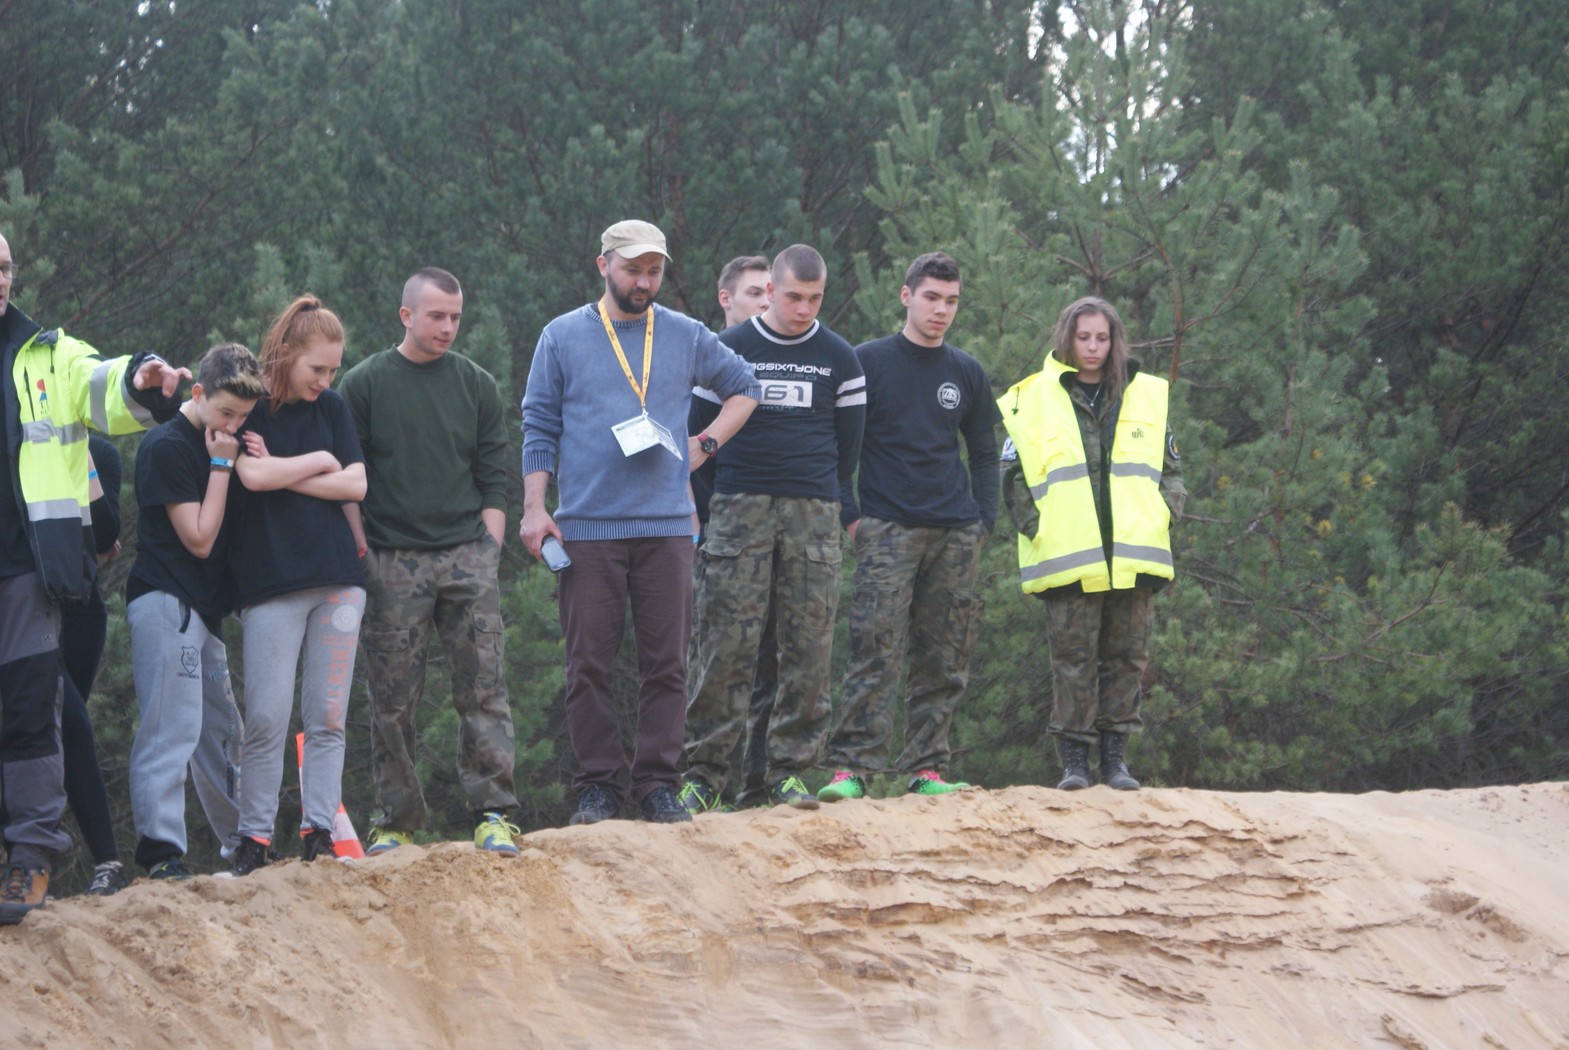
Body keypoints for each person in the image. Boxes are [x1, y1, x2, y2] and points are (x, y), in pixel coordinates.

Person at [521, 220, 759, 826]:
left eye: (654, 271)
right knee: (588, 666)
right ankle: (598, 787)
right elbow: (539, 424)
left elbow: (746, 387)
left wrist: (706, 443)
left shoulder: (684, 333)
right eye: (632, 270)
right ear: (603, 266)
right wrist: (534, 507)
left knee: (667, 664)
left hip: (667, 528)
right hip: (587, 528)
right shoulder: (561, 336)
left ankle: (658, 784)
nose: (644, 282)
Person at [1, 230, 187, 923]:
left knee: (30, 713)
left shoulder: (47, 354)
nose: (0, 279)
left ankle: (29, 858)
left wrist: (141, 379)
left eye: (5, 267)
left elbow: (101, 383)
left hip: (26, 569)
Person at [338, 268, 521, 856]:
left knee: (484, 688)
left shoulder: (476, 384)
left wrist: (489, 548)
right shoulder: (364, 384)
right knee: (393, 700)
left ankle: (493, 813)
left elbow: (494, 474)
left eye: (455, 317)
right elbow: (349, 475)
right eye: (436, 315)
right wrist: (363, 550)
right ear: (406, 315)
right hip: (393, 559)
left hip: (467, 555)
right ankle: (395, 822)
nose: (447, 327)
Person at [679, 244, 866, 813]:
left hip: (813, 516)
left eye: (815, 299)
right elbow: (697, 438)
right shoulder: (728, 348)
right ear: (770, 291)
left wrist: (818, 494)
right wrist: (722, 506)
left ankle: (786, 774)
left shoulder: (840, 358)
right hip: (739, 511)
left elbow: (848, 450)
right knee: (724, 648)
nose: (803, 309)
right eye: (792, 297)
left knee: (807, 650)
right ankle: (703, 778)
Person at [818, 252, 1000, 802]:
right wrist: (851, 517)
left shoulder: (966, 371)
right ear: (906, 296)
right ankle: (851, 770)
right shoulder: (866, 361)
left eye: (951, 301)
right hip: (886, 528)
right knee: (874, 649)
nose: (941, 310)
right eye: (931, 298)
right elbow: (836, 445)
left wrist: (983, 522)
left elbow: (984, 452)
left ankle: (927, 769)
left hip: (955, 532)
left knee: (944, 656)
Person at [997, 296, 1185, 791]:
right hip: (1069, 554)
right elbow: (1011, 474)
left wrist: (1165, 514)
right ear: (1067, 337)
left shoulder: (1145, 394)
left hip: (1134, 552)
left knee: (1127, 660)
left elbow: (1171, 469)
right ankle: (1075, 763)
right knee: (1073, 661)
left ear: (1115, 340)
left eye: (1102, 337)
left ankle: (1115, 761)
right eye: (1084, 337)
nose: (1093, 347)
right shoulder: (1031, 397)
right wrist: (1035, 527)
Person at [225, 296, 367, 876]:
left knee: (328, 717)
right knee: (266, 716)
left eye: (334, 369)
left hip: (339, 581)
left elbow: (356, 484)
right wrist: (322, 461)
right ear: (285, 353)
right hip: (270, 583)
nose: (326, 380)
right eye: (317, 368)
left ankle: (320, 832)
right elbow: (252, 477)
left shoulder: (332, 407)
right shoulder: (250, 407)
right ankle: (254, 838)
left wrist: (291, 469)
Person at [126, 342, 264, 880]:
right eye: (226, 411)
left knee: (223, 733)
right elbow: (200, 539)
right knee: (171, 727)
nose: (233, 425)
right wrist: (222, 465)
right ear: (198, 392)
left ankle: (245, 847)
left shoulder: (224, 438)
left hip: (205, 611)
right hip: (166, 599)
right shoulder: (166, 446)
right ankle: (160, 853)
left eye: (243, 416)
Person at [697, 255, 775, 808]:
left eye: (770, 293)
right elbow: (688, 452)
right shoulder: (702, 361)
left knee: (775, 662)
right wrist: (702, 526)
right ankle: (705, 784)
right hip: (711, 533)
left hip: (781, 533)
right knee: (715, 661)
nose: (765, 303)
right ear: (726, 299)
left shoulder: (791, 360)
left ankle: (761, 785)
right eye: (753, 294)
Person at [58, 434, 131, 895]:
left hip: (81, 610)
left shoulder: (100, 454)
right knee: (62, 720)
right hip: (26, 607)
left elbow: (105, 535)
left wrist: (82, 458)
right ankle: (105, 858)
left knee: (65, 728)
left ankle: (107, 863)